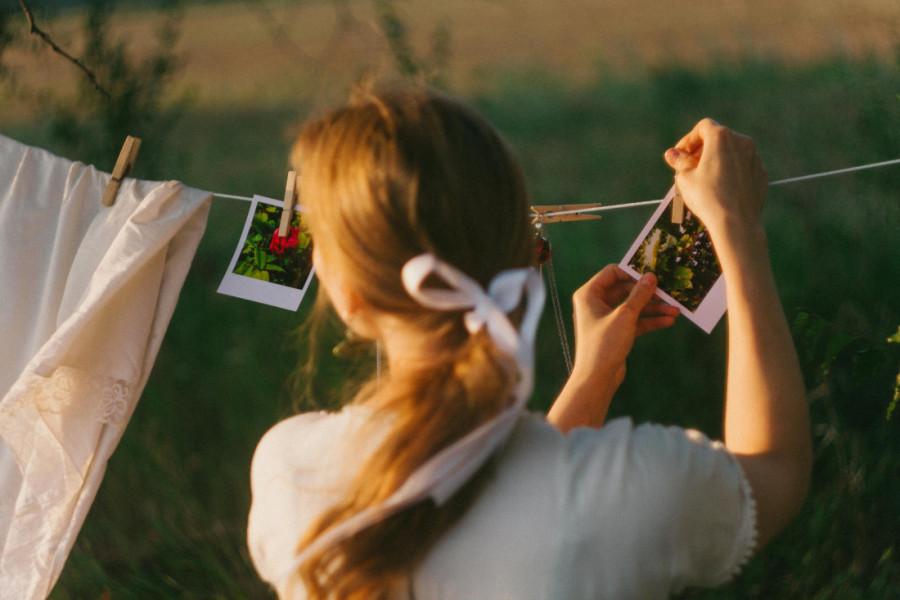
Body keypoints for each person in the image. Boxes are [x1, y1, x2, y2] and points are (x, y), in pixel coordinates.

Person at [247, 87, 812, 600]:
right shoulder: (625, 491)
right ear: (524, 254)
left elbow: (487, 488)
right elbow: (777, 472)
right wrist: (736, 227)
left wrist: (593, 378)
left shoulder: (290, 474)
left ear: (349, 298)